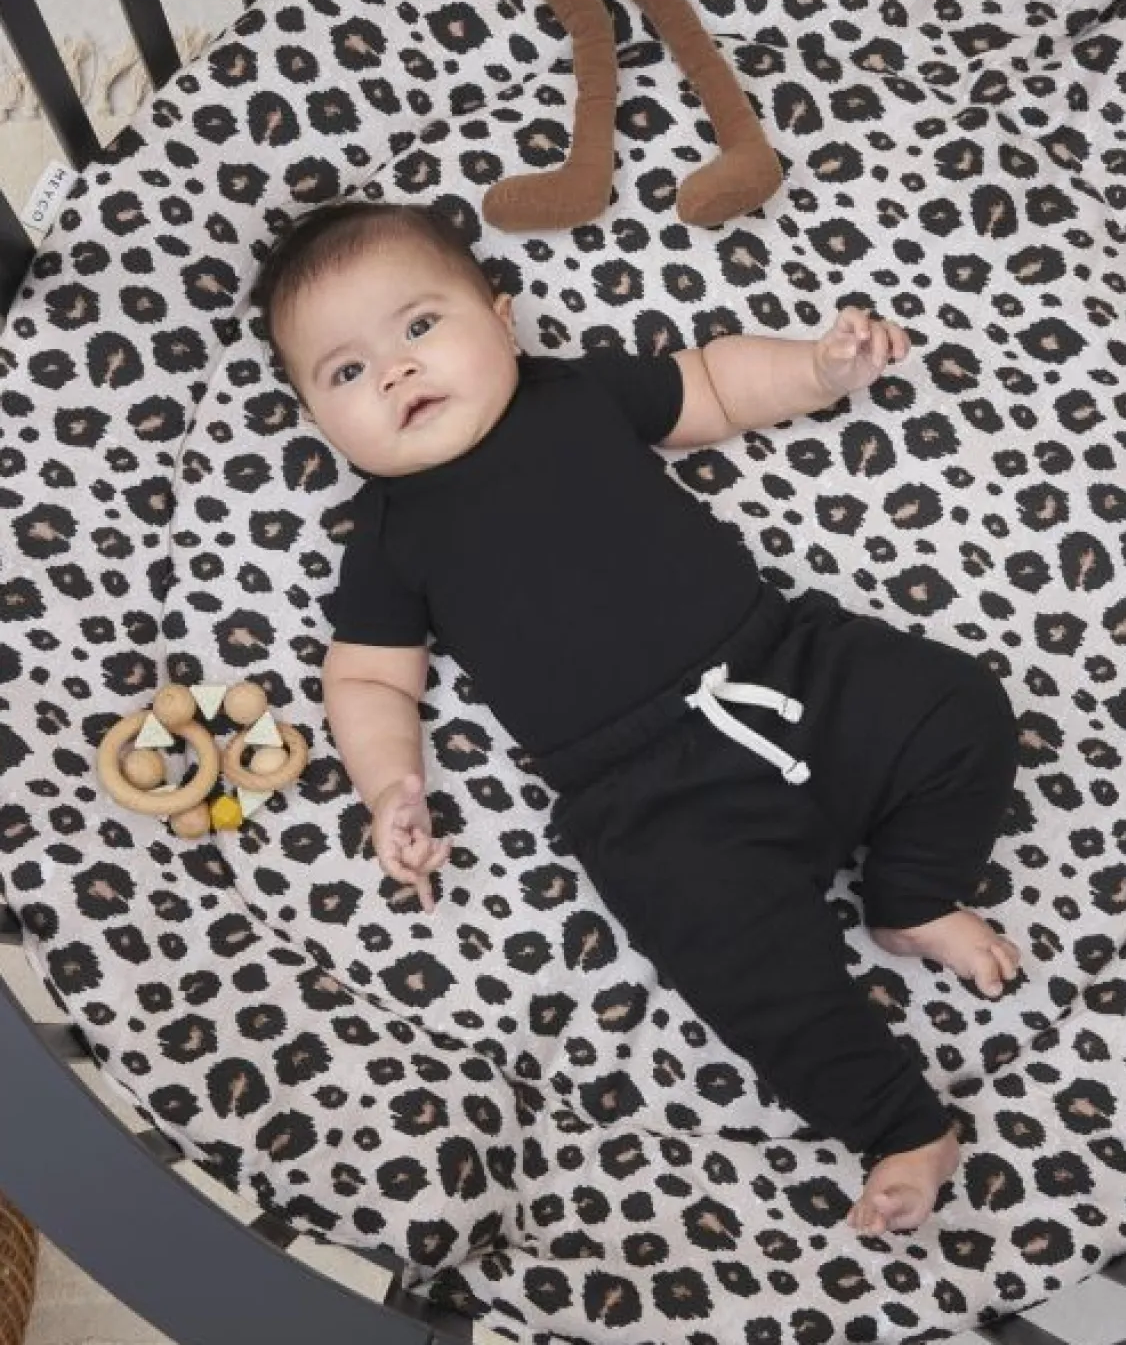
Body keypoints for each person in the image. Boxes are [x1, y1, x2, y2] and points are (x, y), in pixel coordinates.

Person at [253, 197, 1022, 1236]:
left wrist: (817, 369)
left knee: (959, 708)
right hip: (646, 795)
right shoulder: (391, 534)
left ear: (503, 321)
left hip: (783, 666)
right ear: (316, 418)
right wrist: (391, 783)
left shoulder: (571, 393)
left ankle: (913, 891)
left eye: (420, 326)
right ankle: (899, 1124)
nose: (394, 371)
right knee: (735, 961)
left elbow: (713, 385)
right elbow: (368, 681)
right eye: (345, 372)